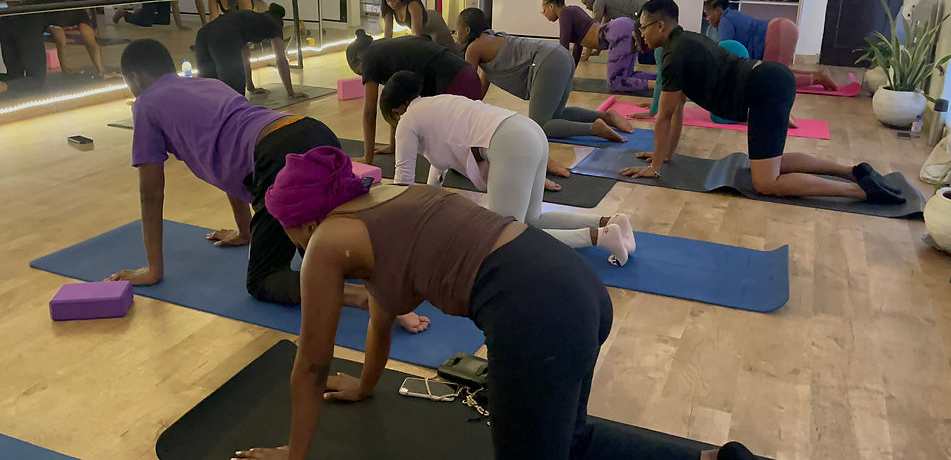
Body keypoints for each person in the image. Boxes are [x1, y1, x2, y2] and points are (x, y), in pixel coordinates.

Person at [234, 145, 681, 460]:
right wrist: (365, 385)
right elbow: (381, 312)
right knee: (571, 442)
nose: (291, 240)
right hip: (578, 288)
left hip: (536, 314)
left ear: (306, 223)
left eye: (286, 228)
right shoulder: (386, 201)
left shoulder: (327, 242)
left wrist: (293, 454)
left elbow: (311, 366)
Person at [107, 39, 428, 333]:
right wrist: (245, 232)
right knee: (322, 246)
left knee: (264, 280)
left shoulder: (146, 104)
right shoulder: (205, 85)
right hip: (310, 131)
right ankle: (400, 277)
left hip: (277, 158)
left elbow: (150, 192)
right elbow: (226, 162)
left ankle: (365, 299)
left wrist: (152, 269)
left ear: (133, 77)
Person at [621, 0, 905, 204]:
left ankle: (859, 191)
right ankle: (853, 172)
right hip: (769, 79)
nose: (641, 34)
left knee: (766, 182)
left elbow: (665, 117)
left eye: (644, 27)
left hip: (764, 88)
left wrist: (654, 168)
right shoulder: (687, 41)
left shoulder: (673, 56)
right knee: (772, 162)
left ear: (660, 26)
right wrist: (665, 156)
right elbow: (677, 108)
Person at [382, 71, 635, 265]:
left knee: (505, 236)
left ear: (396, 110)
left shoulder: (407, 121)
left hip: (510, 142)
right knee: (533, 219)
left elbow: (403, 182)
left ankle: (600, 237)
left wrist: (394, 227)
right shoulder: (437, 103)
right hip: (527, 130)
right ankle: (610, 222)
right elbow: (437, 171)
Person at [458, 7, 633, 142]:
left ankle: (595, 129)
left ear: (466, 30)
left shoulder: (474, 48)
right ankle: (605, 117)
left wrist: (457, 112)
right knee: (555, 116)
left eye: (457, 28)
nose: (456, 34)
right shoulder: (493, 38)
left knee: (539, 124)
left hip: (547, 61)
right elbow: (480, 86)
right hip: (560, 55)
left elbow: (468, 83)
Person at [345, 29, 483, 165]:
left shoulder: (370, 57)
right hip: (468, 75)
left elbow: (369, 112)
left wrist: (367, 158)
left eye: (360, 72)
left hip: (455, 83)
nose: (365, 77)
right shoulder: (385, 50)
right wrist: (393, 146)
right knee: (457, 152)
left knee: (461, 158)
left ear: (358, 58)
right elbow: (396, 102)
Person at [538, 0, 655, 93]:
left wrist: (557, 76)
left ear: (551, 6)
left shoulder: (565, 14)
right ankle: (662, 78)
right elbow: (577, 47)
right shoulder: (572, 10)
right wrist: (569, 74)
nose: (544, 15)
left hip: (618, 33)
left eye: (544, 10)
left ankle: (657, 85)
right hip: (623, 27)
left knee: (615, 82)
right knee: (627, 75)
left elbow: (563, 48)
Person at [703, 0, 837, 90]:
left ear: (718, 11)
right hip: (782, 28)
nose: (708, 19)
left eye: (709, 15)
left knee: (774, 79)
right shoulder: (731, 14)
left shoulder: (725, 21)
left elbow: (725, 50)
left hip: (778, 32)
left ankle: (819, 78)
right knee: (779, 72)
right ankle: (819, 76)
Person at [194, 4, 307, 100]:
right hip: (225, 36)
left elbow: (245, 56)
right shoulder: (274, 24)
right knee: (233, 91)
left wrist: (250, 87)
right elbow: (281, 59)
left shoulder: (251, 19)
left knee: (207, 86)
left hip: (203, 33)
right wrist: (291, 93)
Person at [47, 0, 117, 78]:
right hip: (56, 16)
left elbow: (90, 14)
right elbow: (50, 12)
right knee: (61, 41)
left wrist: (94, 30)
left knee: (91, 42)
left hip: (77, 14)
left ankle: (101, 71)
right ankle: (65, 70)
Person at [380, 0, 457, 52]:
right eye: (388, 1)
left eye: (393, 0)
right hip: (422, 28)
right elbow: (388, 32)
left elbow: (416, 34)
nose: (391, 4)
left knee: (449, 50)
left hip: (434, 23)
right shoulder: (388, 7)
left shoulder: (413, 4)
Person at [578, 0, 647, 24]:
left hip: (641, 12)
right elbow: (603, 27)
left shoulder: (599, 0)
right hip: (644, 8)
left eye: (586, 3)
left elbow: (594, 25)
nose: (586, 7)